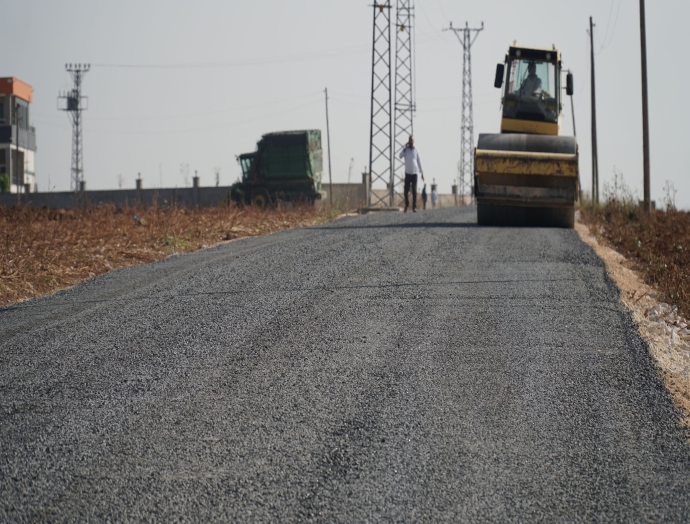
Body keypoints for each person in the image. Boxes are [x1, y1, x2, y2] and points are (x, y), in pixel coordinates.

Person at [399, 135, 424, 212]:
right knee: (406, 191)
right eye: (410, 140)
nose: (411, 142)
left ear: (413, 141)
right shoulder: (406, 150)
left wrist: (422, 172)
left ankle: (414, 207)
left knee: (414, 190)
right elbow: (400, 156)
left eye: (412, 140)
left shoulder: (416, 150)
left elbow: (419, 162)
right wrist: (404, 148)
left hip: (414, 173)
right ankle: (407, 204)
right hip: (407, 173)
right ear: (408, 141)